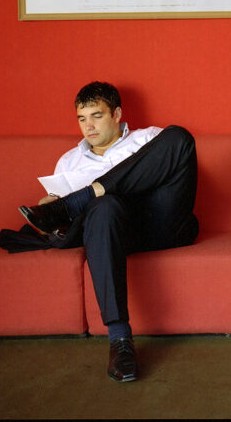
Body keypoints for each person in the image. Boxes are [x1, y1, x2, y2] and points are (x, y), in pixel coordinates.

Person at [17, 82, 199, 382]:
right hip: (113, 236)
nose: (88, 126)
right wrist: (53, 205)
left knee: (179, 136)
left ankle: (86, 195)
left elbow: (176, 167)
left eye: (96, 116)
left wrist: (85, 196)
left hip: (163, 223)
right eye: (81, 118)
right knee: (103, 207)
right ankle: (119, 340)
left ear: (116, 114)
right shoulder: (68, 163)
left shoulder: (149, 139)